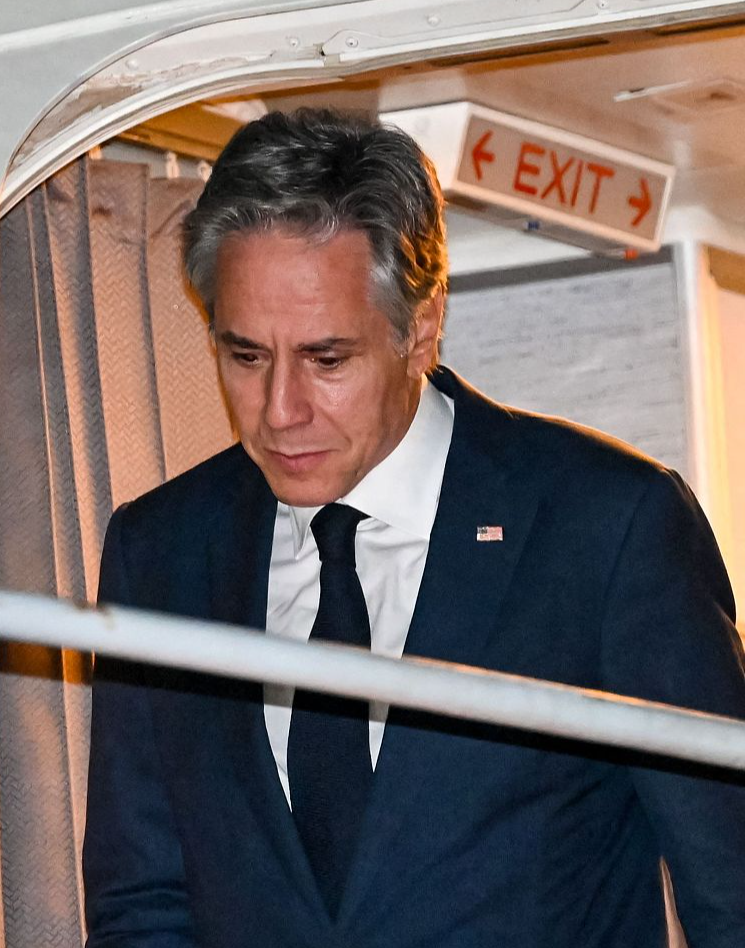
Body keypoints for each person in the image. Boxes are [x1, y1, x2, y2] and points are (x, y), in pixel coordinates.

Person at [80, 108, 745, 947]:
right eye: (245, 356)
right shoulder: (160, 553)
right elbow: (142, 903)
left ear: (421, 328)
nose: (280, 412)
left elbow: (732, 886)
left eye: (328, 360)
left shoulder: (607, 528)